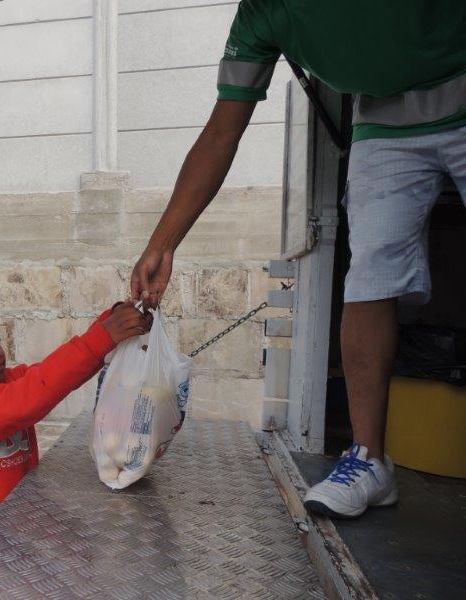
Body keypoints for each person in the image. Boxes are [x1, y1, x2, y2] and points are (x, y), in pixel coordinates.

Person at [130, 1, 466, 519]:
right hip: (384, 122)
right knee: (368, 279)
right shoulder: (259, 16)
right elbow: (222, 132)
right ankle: (369, 460)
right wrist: (163, 242)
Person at [0, 299, 152, 594]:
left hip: (5, 556)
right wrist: (102, 337)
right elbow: (28, 400)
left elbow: (53, 374)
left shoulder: (5, 382)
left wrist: (112, 321)